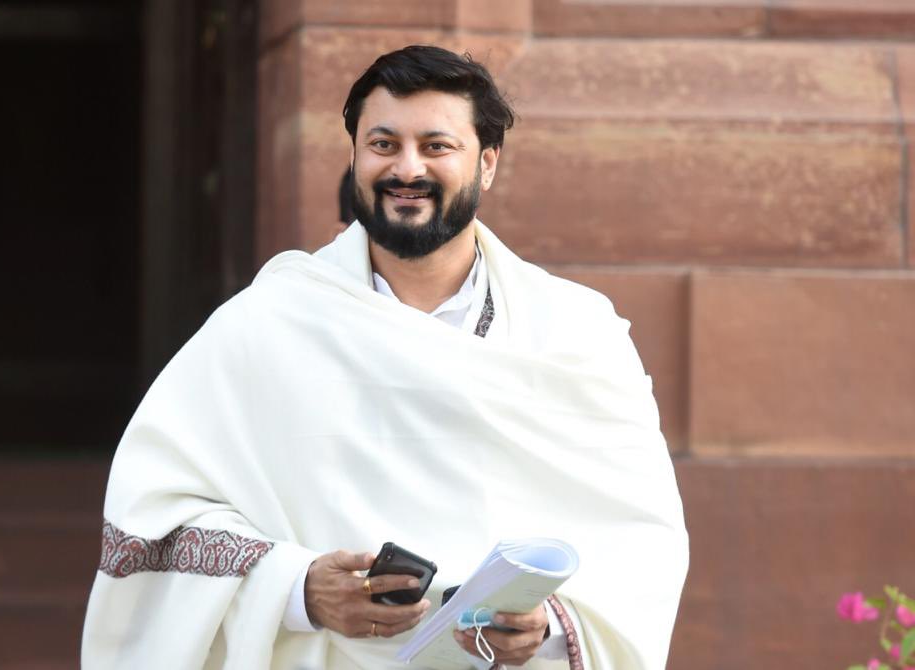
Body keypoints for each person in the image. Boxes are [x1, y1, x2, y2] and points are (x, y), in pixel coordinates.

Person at [82, 45, 689, 669]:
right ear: (354, 156)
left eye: (436, 146)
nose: (407, 168)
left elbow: (644, 539)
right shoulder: (263, 326)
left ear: (486, 164)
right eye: (383, 144)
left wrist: (549, 625)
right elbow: (149, 527)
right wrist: (297, 589)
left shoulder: (577, 333)